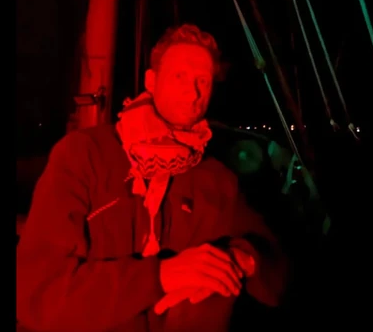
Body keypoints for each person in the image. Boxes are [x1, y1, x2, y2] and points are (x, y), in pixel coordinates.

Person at [16, 24, 288, 332]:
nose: (193, 92)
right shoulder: (84, 155)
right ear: (151, 81)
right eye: (179, 76)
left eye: (203, 80)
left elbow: (276, 269)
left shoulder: (216, 180)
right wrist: (163, 276)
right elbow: (36, 293)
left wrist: (240, 259)